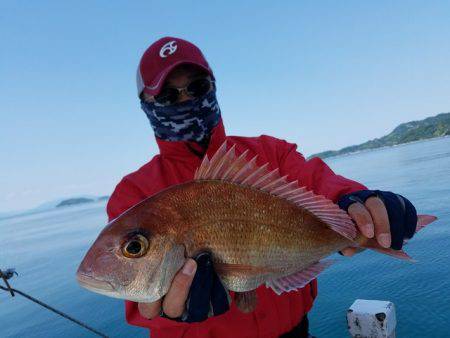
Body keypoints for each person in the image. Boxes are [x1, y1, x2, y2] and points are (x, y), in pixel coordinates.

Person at [106, 37, 418, 338]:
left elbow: (320, 185)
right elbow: (136, 300)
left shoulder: (270, 154)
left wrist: (356, 202)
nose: (186, 100)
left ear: (213, 88)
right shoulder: (133, 194)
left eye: (197, 88)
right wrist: (169, 314)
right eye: (169, 97)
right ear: (146, 104)